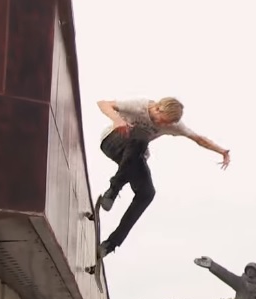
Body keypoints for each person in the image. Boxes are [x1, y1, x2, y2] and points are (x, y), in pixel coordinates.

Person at [96, 97, 231, 258]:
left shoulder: (173, 126)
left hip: (131, 156)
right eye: (162, 120)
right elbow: (103, 103)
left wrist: (221, 151)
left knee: (147, 193)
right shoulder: (139, 106)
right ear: (158, 108)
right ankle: (113, 190)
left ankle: (110, 245)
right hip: (112, 141)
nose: (162, 125)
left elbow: (198, 138)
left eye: (167, 124)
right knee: (141, 136)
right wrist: (117, 120)